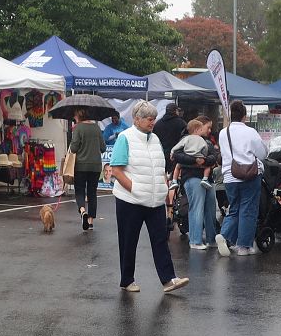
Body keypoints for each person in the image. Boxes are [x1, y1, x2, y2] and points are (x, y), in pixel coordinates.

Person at [108, 100, 188, 294]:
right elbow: (116, 170)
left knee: (160, 239)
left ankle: (168, 279)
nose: (153, 122)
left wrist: (164, 189)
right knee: (128, 241)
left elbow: (160, 168)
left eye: (154, 119)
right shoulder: (125, 138)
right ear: (137, 119)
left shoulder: (155, 139)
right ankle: (127, 280)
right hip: (130, 200)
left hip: (154, 199)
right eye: (149, 119)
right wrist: (134, 189)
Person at [215, 101, 268, 256]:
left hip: (229, 176)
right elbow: (262, 153)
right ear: (244, 116)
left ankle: (224, 235)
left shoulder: (223, 133)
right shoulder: (250, 132)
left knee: (234, 208)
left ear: (230, 115)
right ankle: (244, 246)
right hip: (249, 174)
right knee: (248, 209)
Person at [172, 116, 219, 249]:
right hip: (192, 177)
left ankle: (211, 239)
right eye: (208, 127)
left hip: (206, 178)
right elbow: (177, 156)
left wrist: (203, 161)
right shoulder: (186, 139)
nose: (209, 130)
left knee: (210, 209)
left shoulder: (207, 141)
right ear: (199, 126)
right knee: (197, 208)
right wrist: (196, 160)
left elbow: (214, 156)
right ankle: (195, 240)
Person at [68, 108, 104, 232]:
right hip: (96, 166)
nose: (74, 118)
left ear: (79, 116)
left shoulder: (78, 128)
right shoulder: (97, 128)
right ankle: (91, 221)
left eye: (75, 116)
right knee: (92, 192)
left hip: (81, 166)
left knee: (80, 190)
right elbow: (103, 148)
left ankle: (83, 211)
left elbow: (73, 148)